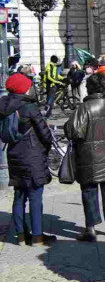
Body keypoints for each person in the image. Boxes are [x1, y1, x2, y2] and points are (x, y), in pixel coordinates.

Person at [64, 73, 105, 242]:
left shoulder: (84, 108)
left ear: (89, 88)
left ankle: (91, 229)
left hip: (88, 156)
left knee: (89, 191)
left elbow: (74, 132)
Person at [0, 73, 56, 245]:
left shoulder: (4, 105)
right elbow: (45, 134)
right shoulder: (29, 107)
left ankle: (21, 235)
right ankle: (37, 236)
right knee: (35, 195)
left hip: (14, 154)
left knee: (19, 195)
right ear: (23, 89)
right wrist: (47, 145)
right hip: (32, 156)